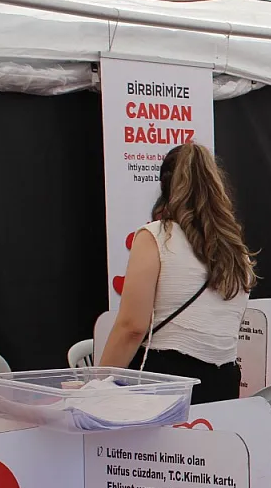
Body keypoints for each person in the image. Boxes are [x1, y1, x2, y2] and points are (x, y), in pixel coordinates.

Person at [100, 143, 255, 404]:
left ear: (165, 187)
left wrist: (95, 385)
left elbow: (132, 327)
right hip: (224, 382)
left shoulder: (156, 237)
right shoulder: (235, 248)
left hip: (166, 381)